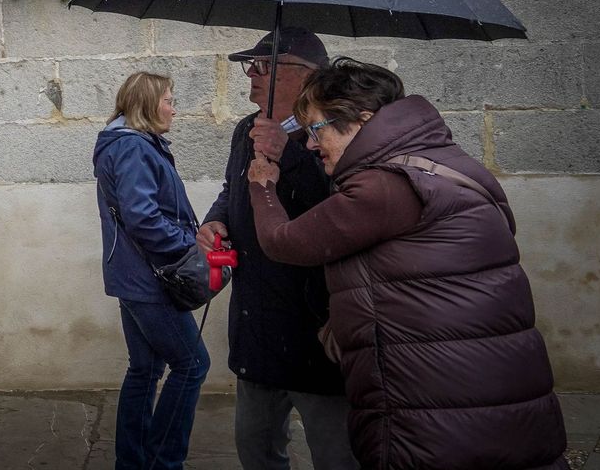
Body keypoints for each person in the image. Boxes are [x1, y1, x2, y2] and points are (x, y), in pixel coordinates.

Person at [248, 58, 567, 470]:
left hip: (437, 411)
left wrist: (262, 186)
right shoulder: (440, 162)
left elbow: (284, 242)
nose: (310, 144)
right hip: (482, 393)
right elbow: (411, 279)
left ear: (359, 120)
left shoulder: (384, 185)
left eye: (315, 129)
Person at [197, 30, 357, 470]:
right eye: (250, 65)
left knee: (337, 455)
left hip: (314, 329)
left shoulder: (334, 132)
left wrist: (287, 153)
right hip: (257, 326)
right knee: (256, 448)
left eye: (264, 65)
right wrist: (217, 221)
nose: (251, 74)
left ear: (306, 77)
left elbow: (340, 207)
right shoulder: (247, 129)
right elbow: (234, 190)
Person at [93, 72, 210, 470]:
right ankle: (163, 463)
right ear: (146, 105)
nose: (174, 109)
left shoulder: (129, 144)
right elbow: (142, 217)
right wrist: (189, 248)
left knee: (145, 369)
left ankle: (133, 462)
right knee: (193, 365)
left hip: (134, 276)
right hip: (150, 280)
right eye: (169, 101)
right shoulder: (133, 149)